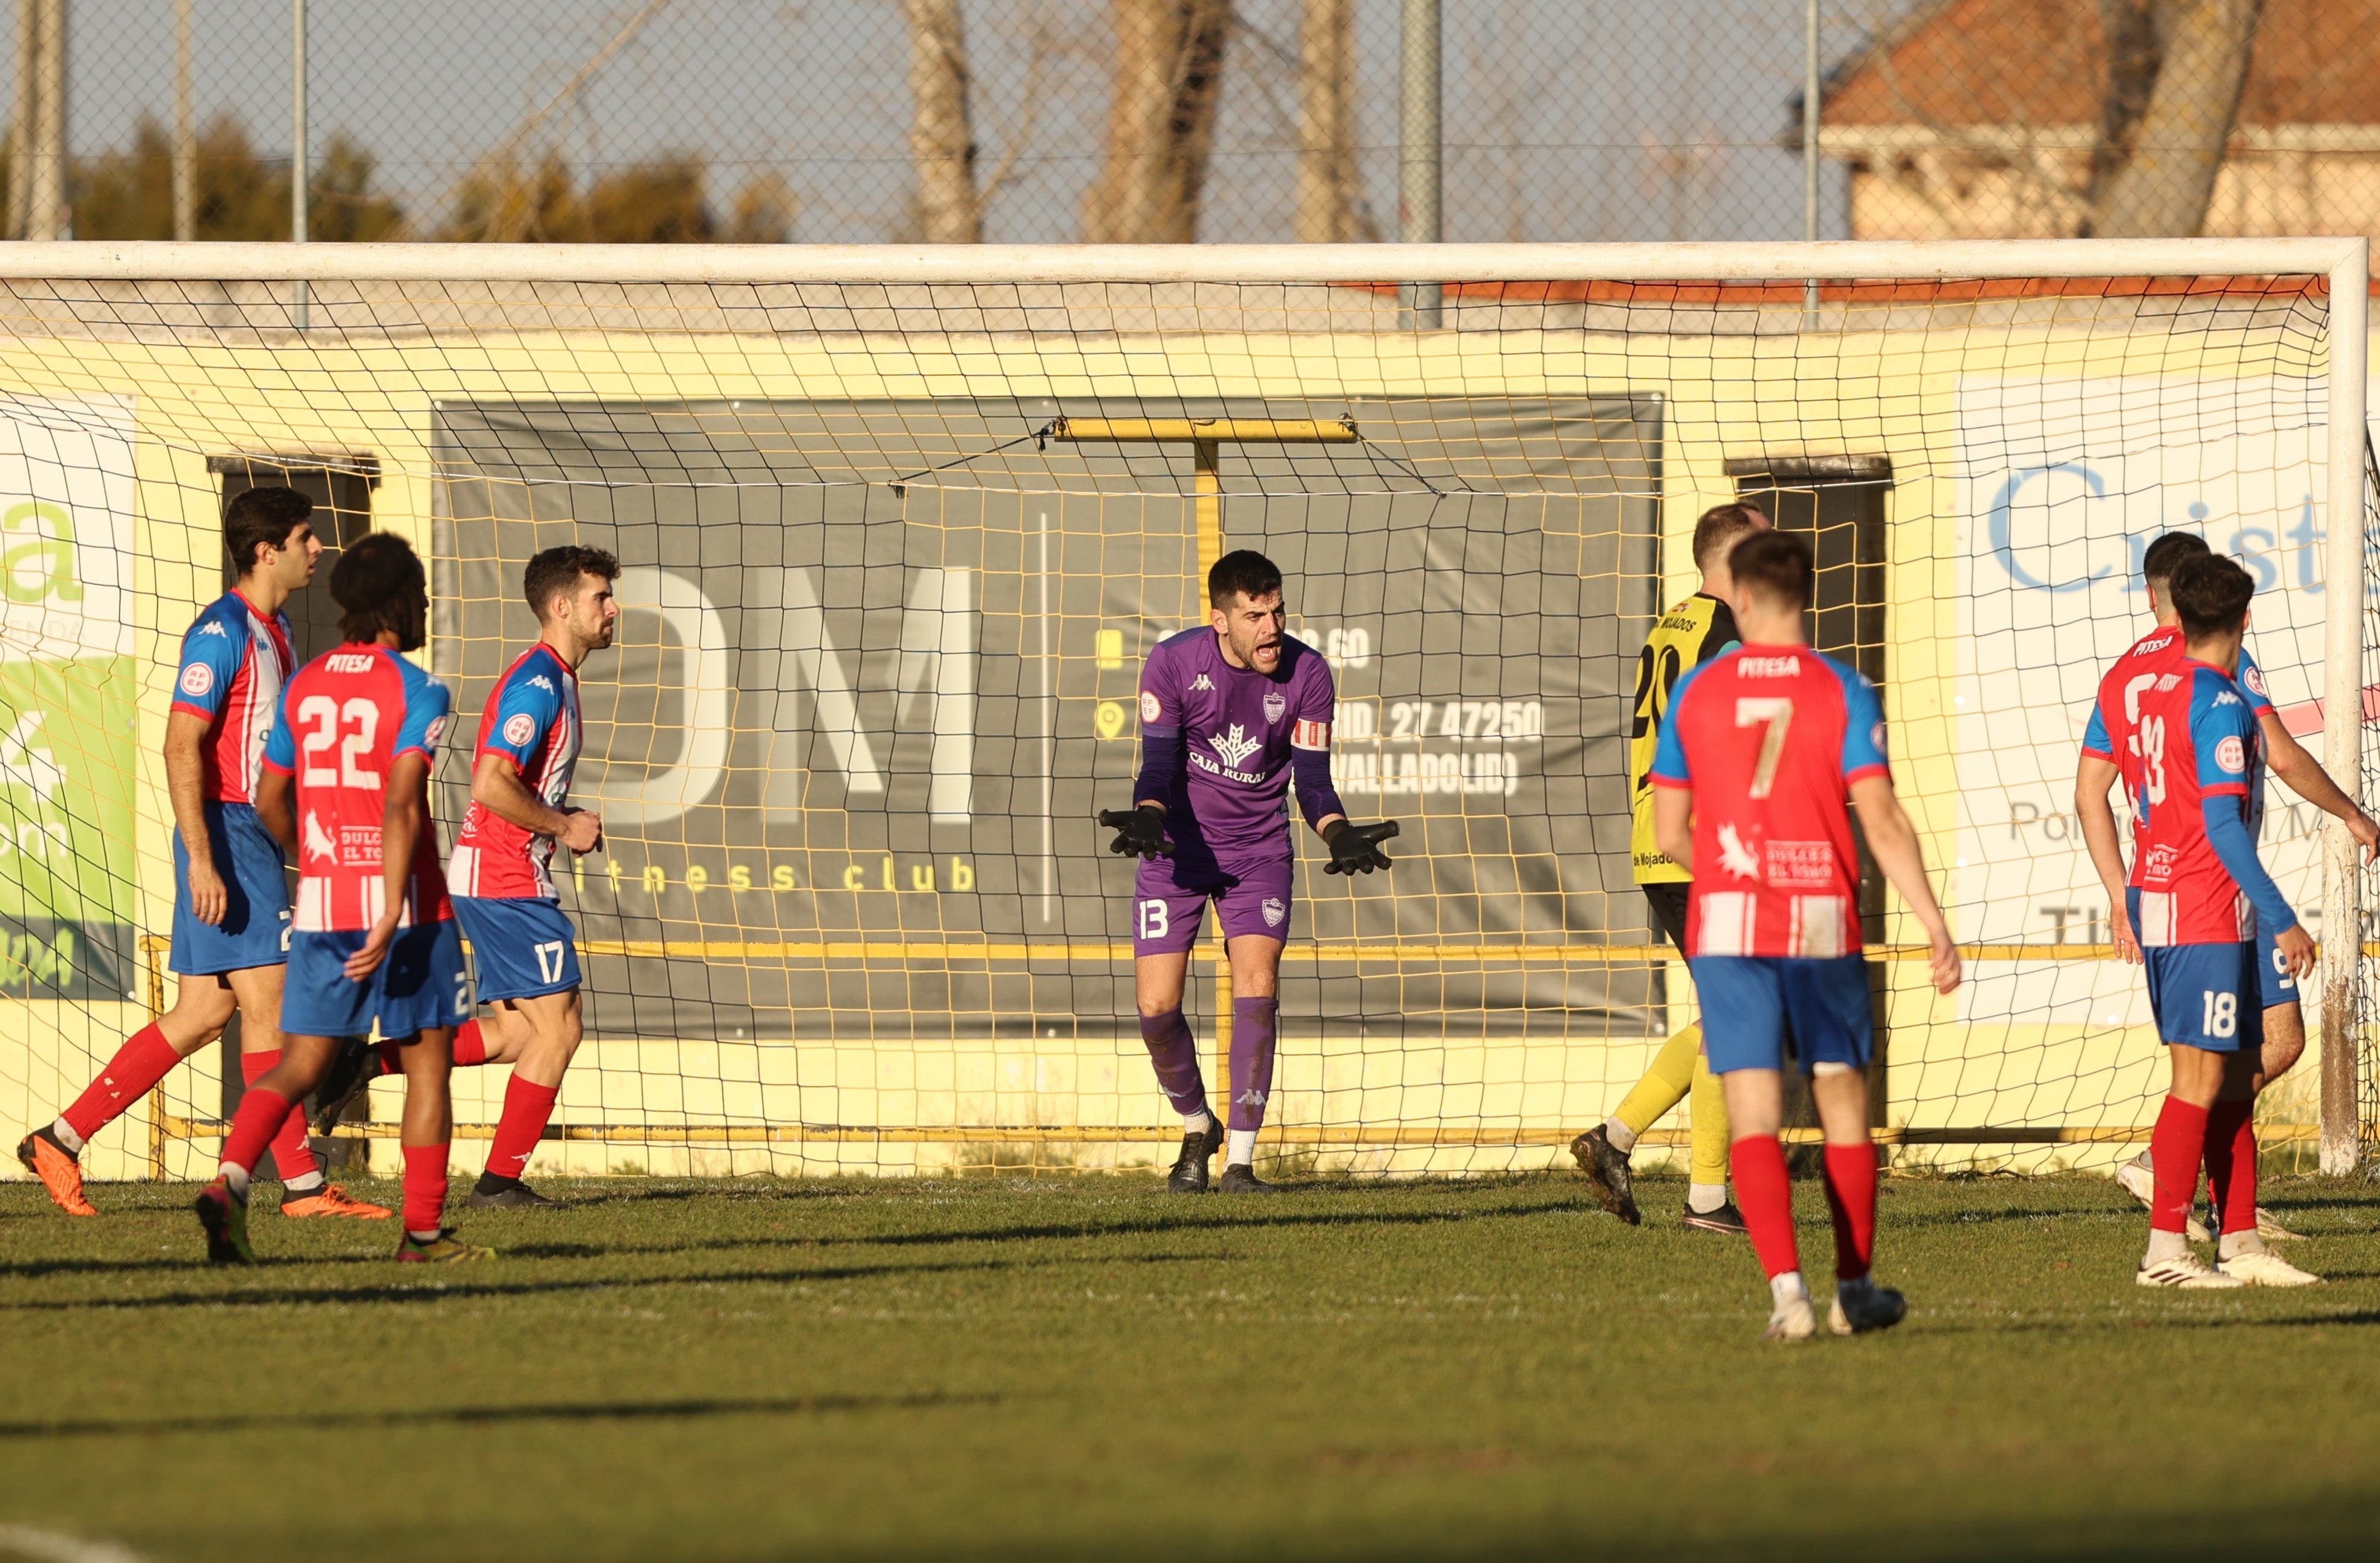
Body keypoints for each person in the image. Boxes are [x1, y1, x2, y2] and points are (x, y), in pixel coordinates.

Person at [13, 487, 386, 1221]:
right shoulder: (222, 631)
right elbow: (181, 742)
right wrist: (203, 857)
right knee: (269, 1004)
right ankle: (305, 1189)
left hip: (246, 833)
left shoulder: (274, 630)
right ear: (265, 550)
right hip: (224, 833)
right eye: (307, 537)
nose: (319, 549)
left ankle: (58, 1139)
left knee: (202, 1012)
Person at [1649, 530, 1962, 1341]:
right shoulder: (1845, 687)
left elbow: (1671, 826)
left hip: (1727, 919)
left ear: (1741, 597)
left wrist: (1728, 872)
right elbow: (1882, 817)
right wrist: (1933, 922)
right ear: (1809, 595)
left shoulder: (1699, 689)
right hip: (1818, 916)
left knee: (1752, 1108)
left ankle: (1786, 1291)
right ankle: (1851, 1286)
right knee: (1840, 1100)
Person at [2076, 532, 2377, 1243]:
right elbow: (2275, 756)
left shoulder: (2122, 678)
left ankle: (2228, 1212)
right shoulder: (2215, 669)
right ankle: (2178, 1201)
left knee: (2269, 1045)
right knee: (2235, 1060)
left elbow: (2091, 794)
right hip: (2213, 892)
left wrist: (2120, 894)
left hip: (2164, 892)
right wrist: (2353, 814)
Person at [193, 533, 485, 1265]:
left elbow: (267, 801)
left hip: (324, 906)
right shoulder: (419, 689)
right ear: (394, 602)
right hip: (407, 913)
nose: (424, 608)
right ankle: (421, 1237)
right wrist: (388, 905)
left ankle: (230, 1182)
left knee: (298, 1065)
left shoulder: (307, 682)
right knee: (428, 1066)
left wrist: (318, 860)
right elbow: (401, 806)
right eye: (418, 596)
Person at [1102, 549, 1395, 1194]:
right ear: (1220, 621)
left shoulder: (1309, 673)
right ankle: (1195, 1123)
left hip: (1258, 853)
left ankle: (1239, 1162)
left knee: (1257, 989)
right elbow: (1157, 766)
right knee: (1156, 1008)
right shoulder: (1173, 664)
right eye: (1254, 615)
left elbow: (1313, 784)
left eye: (1277, 612)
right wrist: (1151, 815)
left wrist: (1338, 832)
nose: (1271, 628)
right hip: (1177, 849)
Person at [1571, 500, 1770, 1233]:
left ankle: (1619, 1143)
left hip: (1658, 838)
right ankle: (1705, 1199)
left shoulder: (1674, 622)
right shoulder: (1727, 635)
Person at [446, 546, 618, 1209]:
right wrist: (562, 825)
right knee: (561, 1028)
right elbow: (490, 784)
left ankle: (362, 1062)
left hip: (499, 872)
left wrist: (559, 815)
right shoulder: (539, 685)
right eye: (600, 597)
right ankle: (498, 1185)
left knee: (519, 1034)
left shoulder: (558, 679)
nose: (613, 608)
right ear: (561, 607)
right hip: (504, 875)